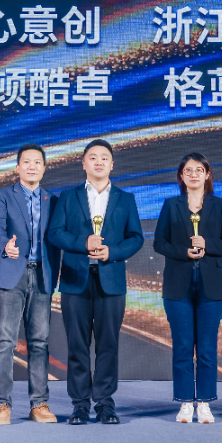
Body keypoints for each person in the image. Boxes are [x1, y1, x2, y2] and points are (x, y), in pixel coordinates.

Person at [46, 139, 144, 425]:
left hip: (111, 280)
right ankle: (79, 404)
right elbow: (55, 233)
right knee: (77, 345)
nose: (99, 161)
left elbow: (136, 238)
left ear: (112, 164)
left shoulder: (126, 199)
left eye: (104, 157)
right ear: (84, 163)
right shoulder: (68, 197)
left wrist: (112, 252)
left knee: (108, 345)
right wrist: (83, 243)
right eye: (93, 157)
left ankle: (104, 403)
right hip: (75, 280)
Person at [153, 153, 222, 424]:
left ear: (207, 174)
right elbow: (159, 243)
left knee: (208, 348)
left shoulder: (219, 205)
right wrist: (184, 252)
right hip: (178, 286)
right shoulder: (171, 205)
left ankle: (205, 403)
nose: (194, 174)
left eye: (199, 170)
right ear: (181, 176)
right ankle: (186, 402)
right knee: (183, 347)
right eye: (188, 170)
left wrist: (207, 245)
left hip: (211, 286)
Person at [0, 144, 61, 425]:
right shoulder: (3, 195)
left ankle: (39, 404)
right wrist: (5, 244)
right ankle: (2, 405)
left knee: (40, 342)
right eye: (26, 162)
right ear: (17, 168)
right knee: (5, 342)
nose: (32, 166)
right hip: (11, 275)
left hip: (42, 275)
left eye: (37, 162)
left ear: (44, 168)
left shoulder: (53, 200)